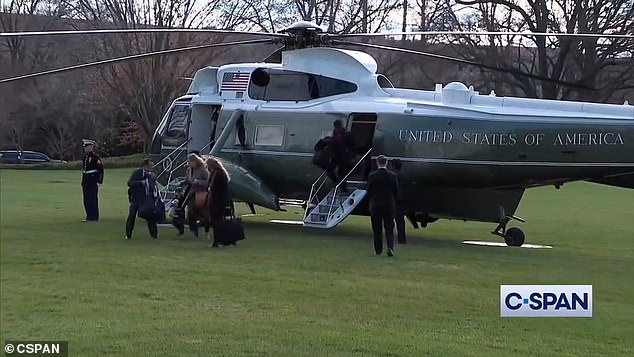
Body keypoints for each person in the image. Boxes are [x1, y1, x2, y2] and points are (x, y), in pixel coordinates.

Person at [365, 155, 399, 256]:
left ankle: (378, 250)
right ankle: (390, 247)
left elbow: (369, 191)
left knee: (377, 229)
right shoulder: (392, 176)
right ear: (386, 163)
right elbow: (396, 191)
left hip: (376, 205)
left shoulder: (372, 176)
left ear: (377, 163)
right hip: (388, 204)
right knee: (389, 228)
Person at [125, 158, 158, 239]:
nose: (152, 168)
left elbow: (153, 187)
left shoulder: (151, 175)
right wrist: (141, 183)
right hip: (136, 198)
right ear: (146, 166)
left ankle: (154, 235)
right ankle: (128, 234)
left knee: (150, 216)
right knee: (132, 215)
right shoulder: (137, 172)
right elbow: (130, 183)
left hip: (146, 199)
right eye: (150, 166)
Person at [206, 156, 233, 247]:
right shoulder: (216, 174)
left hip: (218, 201)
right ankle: (219, 240)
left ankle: (218, 240)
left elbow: (218, 189)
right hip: (216, 200)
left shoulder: (219, 175)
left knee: (217, 221)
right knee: (216, 221)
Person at [182, 153, 210, 236]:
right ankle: (193, 230)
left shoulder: (203, 169)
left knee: (204, 213)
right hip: (192, 193)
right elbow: (187, 180)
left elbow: (208, 181)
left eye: (191, 162)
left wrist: (199, 182)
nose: (189, 164)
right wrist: (182, 184)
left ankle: (206, 229)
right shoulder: (189, 170)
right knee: (191, 211)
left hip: (201, 193)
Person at [326, 120, 354, 193]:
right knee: (329, 170)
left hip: (344, 156)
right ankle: (336, 182)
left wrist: (350, 154)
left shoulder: (346, 134)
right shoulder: (335, 133)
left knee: (341, 173)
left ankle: (343, 188)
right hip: (336, 155)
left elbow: (352, 145)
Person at [81, 139, 104, 222]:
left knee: (93, 199)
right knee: (86, 200)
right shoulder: (85, 157)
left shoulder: (95, 157)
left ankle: (94, 217)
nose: (85, 148)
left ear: (91, 147)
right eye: (85, 147)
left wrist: (99, 181)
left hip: (93, 181)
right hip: (86, 181)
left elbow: (100, 170)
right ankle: (89, 216)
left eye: (87, 147)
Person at [391, 159, 407, 244]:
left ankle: (389, 236)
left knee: (390, 219)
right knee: (400, 220)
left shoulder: (392, 175)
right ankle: (402, 239)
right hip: (402, 199)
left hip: (392, 198)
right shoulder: (405, 175)